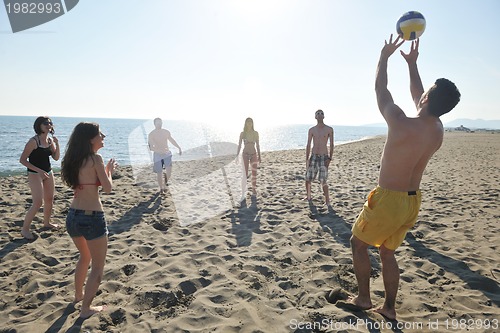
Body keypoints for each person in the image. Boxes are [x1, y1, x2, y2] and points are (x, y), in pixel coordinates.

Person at [345, 35, 460, 320]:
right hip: (412, 201)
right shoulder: (437, 128)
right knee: (386, 252)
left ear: (428, 98)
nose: (421, 93)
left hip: (389, 199)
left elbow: (380, 89)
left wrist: (384, 56)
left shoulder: (399, 121)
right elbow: (419, 95)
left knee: (358, 244)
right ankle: (389, 308)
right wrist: (411, 65)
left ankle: (363, 298)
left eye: (426, 92)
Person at [61, 122, 117, 319]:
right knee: (98, 268)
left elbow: (88, 183)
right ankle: (86, 308)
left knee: (84, 257)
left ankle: (78, 296)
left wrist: (105, 171)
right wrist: (109, 170)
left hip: (73, 216)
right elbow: (108, 188)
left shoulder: (73, 159)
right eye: (99, 134)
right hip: (92, 217)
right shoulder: (96, 158)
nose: (103, 136)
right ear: (90, 138)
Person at [19, 116, 60, 240]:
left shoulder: (49, 141)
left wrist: (57, 144)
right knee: (37, 202)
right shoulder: (33, 141)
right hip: (34, 173)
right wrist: (39, 171)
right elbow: (22, 160)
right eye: (45, 123)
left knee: (49, 199)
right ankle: (25, 230)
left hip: (48, 172)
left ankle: (46, 223)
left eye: (50, 123)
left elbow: (56, 158)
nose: (48, 125)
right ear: (39, 126)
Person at [305, 109, 334, 205]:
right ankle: (309, 196)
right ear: (315, 117)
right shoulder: (312, 130)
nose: (320, 114)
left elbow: (332, 144)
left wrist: (330, 158)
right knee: (308, 179)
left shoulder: (329, 129)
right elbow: (308, 144)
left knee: (323, 180)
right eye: (318, 113)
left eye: (321, 113)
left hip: (323, 157)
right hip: (313, 156)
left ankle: (327, 200)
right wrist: (307, 158)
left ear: (324, 116)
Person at [148, 118, 182, 193]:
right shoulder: (151, 134)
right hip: (157, 155)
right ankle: (161, 189)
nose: (159, 124)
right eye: (157, 123)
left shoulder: (166, 132)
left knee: (169, 172)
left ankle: (164, 184)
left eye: (160, 123)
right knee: (159, 173)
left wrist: (178, 147)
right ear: (154, 124)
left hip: (167, 154)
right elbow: (150, 147)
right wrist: (158, 150)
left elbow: (172, 140)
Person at [235, 117, 261, 197]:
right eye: (248, 122)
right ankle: (243, 190)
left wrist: (259, 156)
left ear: (252, 123)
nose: (249, 123)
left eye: (251, 122)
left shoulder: (255, 133)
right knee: (245, 174)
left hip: (253, 154)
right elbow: (239, 145)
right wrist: (237, 156)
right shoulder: (243, 133)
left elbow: (257, 145)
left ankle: (253, 189)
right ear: (245, 123)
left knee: (254, 173)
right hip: (245, 155)